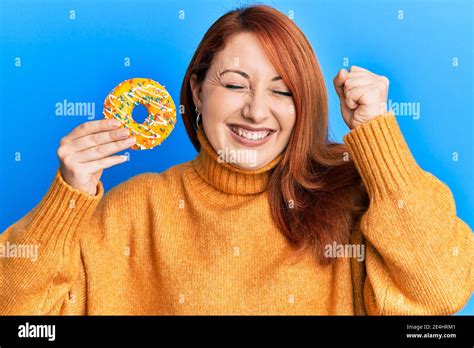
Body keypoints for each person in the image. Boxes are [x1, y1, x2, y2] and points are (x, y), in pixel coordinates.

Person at [1, 5, 472, 315]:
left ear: (303, 104)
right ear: (197, 93)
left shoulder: (351, 202)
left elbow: (442, 289)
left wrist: (378, 136)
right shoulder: (132, 210)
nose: (256, 110)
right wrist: (64, 202)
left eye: (282, 90)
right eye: (233, 84)